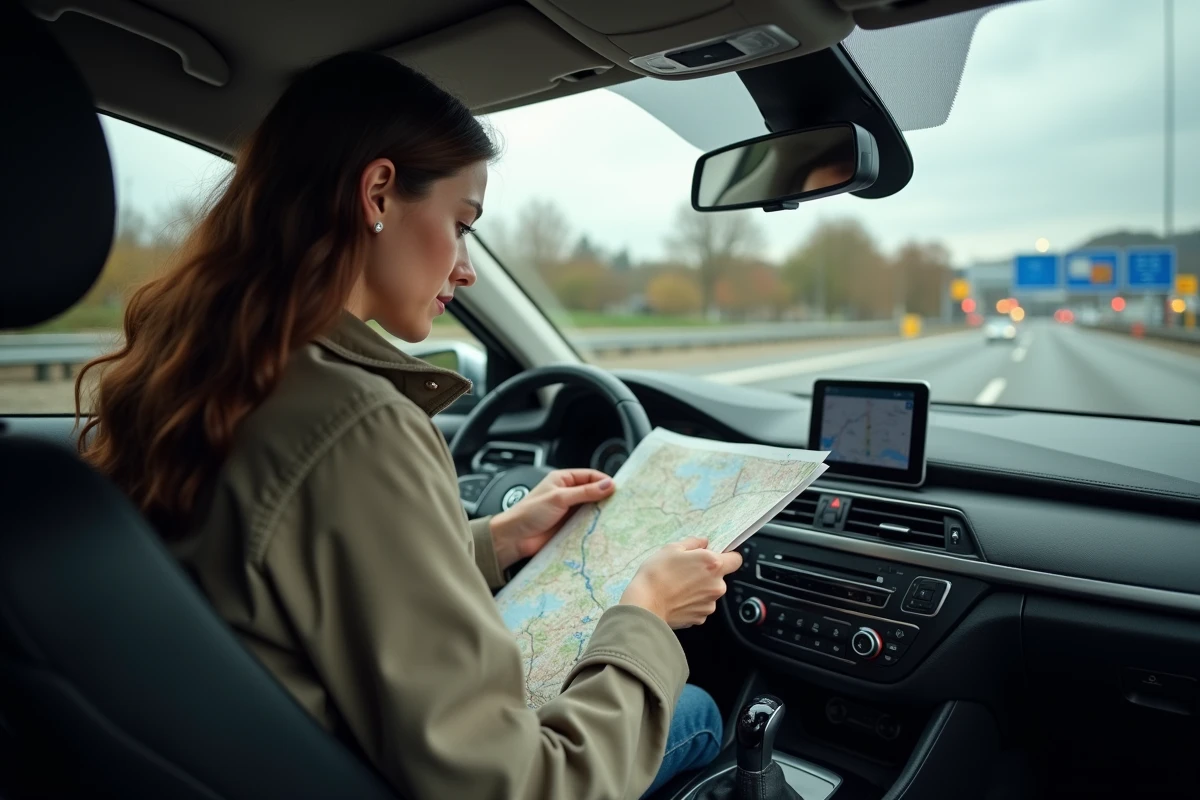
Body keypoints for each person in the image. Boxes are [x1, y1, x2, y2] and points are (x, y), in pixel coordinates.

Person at [74, 51, 742, 799]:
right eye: (461, 225)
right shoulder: (358, 425)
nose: (467, 267)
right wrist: (645, 615)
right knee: (693, 711)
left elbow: (286, 572)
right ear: (379, 192)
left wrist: (498, 539)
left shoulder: (206, 374)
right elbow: (515, 785)